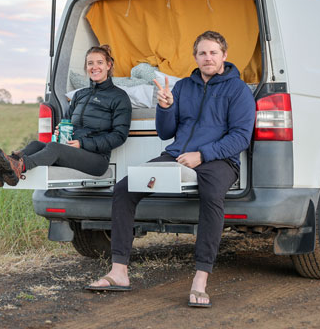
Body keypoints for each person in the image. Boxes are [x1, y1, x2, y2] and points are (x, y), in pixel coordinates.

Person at [85, 30, 256, 308]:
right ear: (195, 56)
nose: (208, 57)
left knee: (212, 197)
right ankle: (119, 272)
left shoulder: (238, 90)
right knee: (124, 189)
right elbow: (166, 132)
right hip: (177, 155)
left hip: (220, 160)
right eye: (202, 53)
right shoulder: (183, 87)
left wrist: (202, 155)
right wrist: (164, 107)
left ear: (224, 55)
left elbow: (240, 137)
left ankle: (200, 278)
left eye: (213, 52)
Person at [0, 45, 132, 187]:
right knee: (35, 144)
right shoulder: (80, 95)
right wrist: (60, 132)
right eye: (90, 63)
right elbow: (66, 122)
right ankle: (2, 168)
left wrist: (82, 143)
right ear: (86, 67)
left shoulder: (119, 97)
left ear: (108, 65)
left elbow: (119, 136)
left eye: (99, 62)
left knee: (54, 148)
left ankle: (20, 166)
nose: (94, 67)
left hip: (97, 160)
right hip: (73, 151)